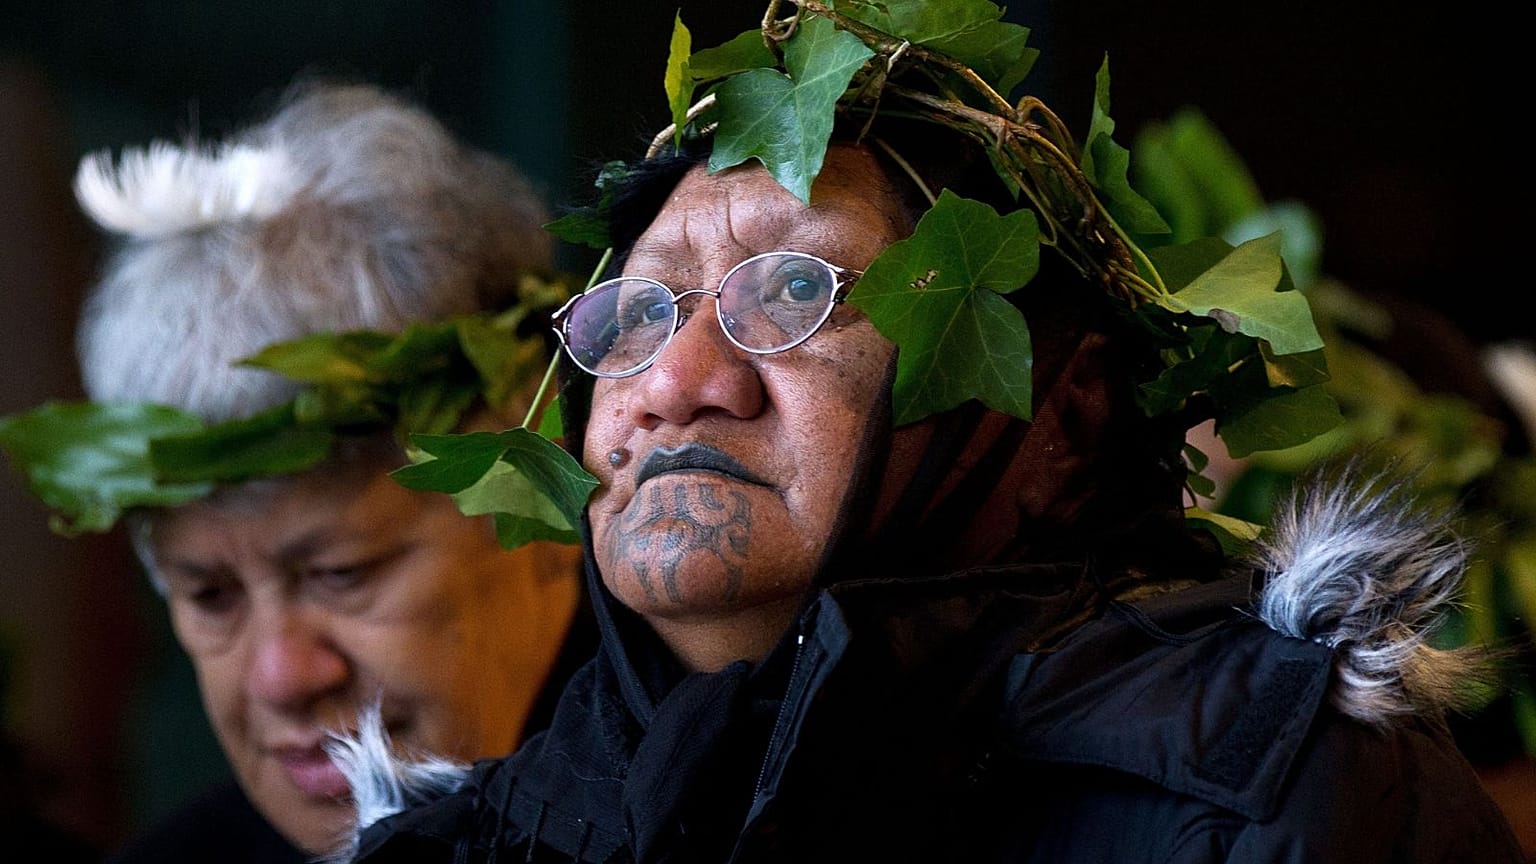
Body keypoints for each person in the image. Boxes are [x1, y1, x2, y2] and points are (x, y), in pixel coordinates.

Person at [329, 3, 1526, 861]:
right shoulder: (472, 844)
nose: (680, 380)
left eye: (795, 292)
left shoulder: (1282, 806)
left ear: (1064, 412)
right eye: (636, 313)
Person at [0, 80, 591, 861]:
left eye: (340, 573)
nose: (280, 677)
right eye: (210, 595)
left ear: (538, 483)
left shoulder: (750, 805)